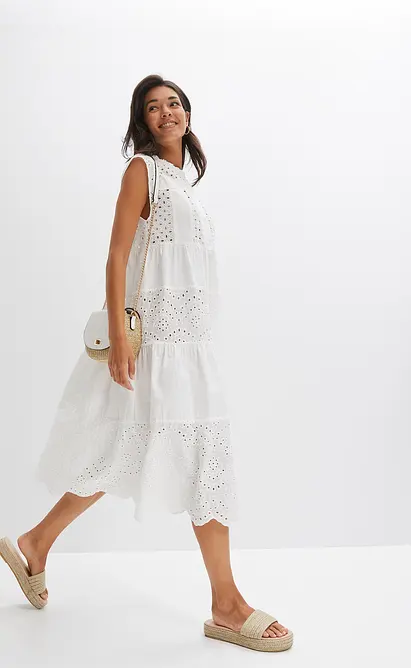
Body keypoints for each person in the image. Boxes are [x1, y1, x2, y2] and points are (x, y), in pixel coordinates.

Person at [0, 74, 292, 652]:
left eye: (174, 103)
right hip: (155, 347)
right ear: (142, 121)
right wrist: (120, 333)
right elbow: (116, 252)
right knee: (173, 455)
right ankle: (226, 604)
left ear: (188, 114)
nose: (166, 113)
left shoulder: (187, 187)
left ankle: (34, 543)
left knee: (146, 456)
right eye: (153, 107)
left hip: (192, 347)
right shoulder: (144, 171)